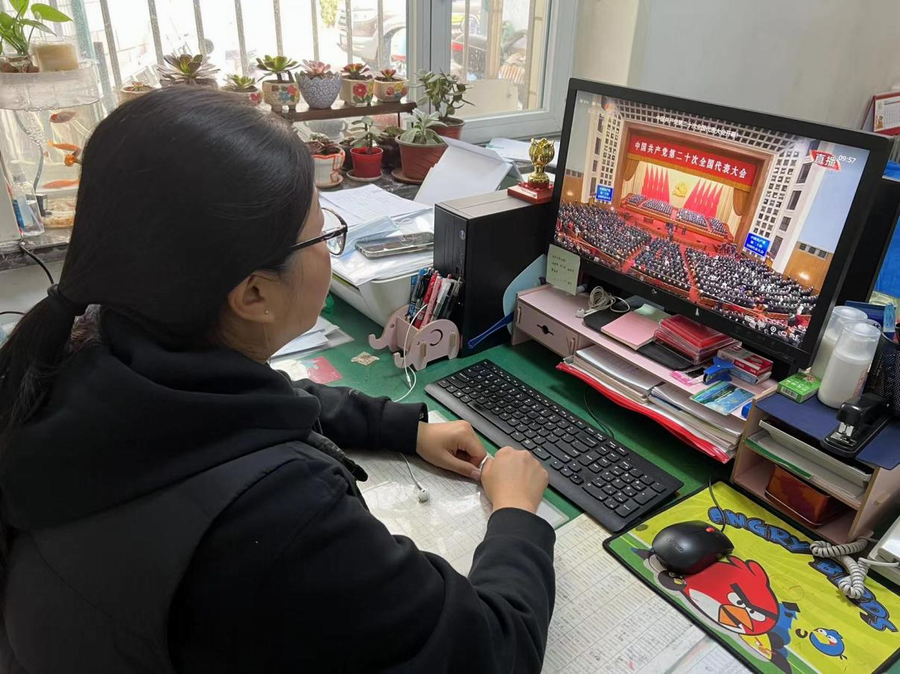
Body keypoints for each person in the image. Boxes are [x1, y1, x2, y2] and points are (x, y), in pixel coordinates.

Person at [0, 88, 555, 673]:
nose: (331, 249)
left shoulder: (75, 357)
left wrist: (400, 427)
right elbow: (493, 652)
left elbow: (233, 409)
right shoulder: (284, 516)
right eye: (323, 234)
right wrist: (517, 516)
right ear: (254, 294)